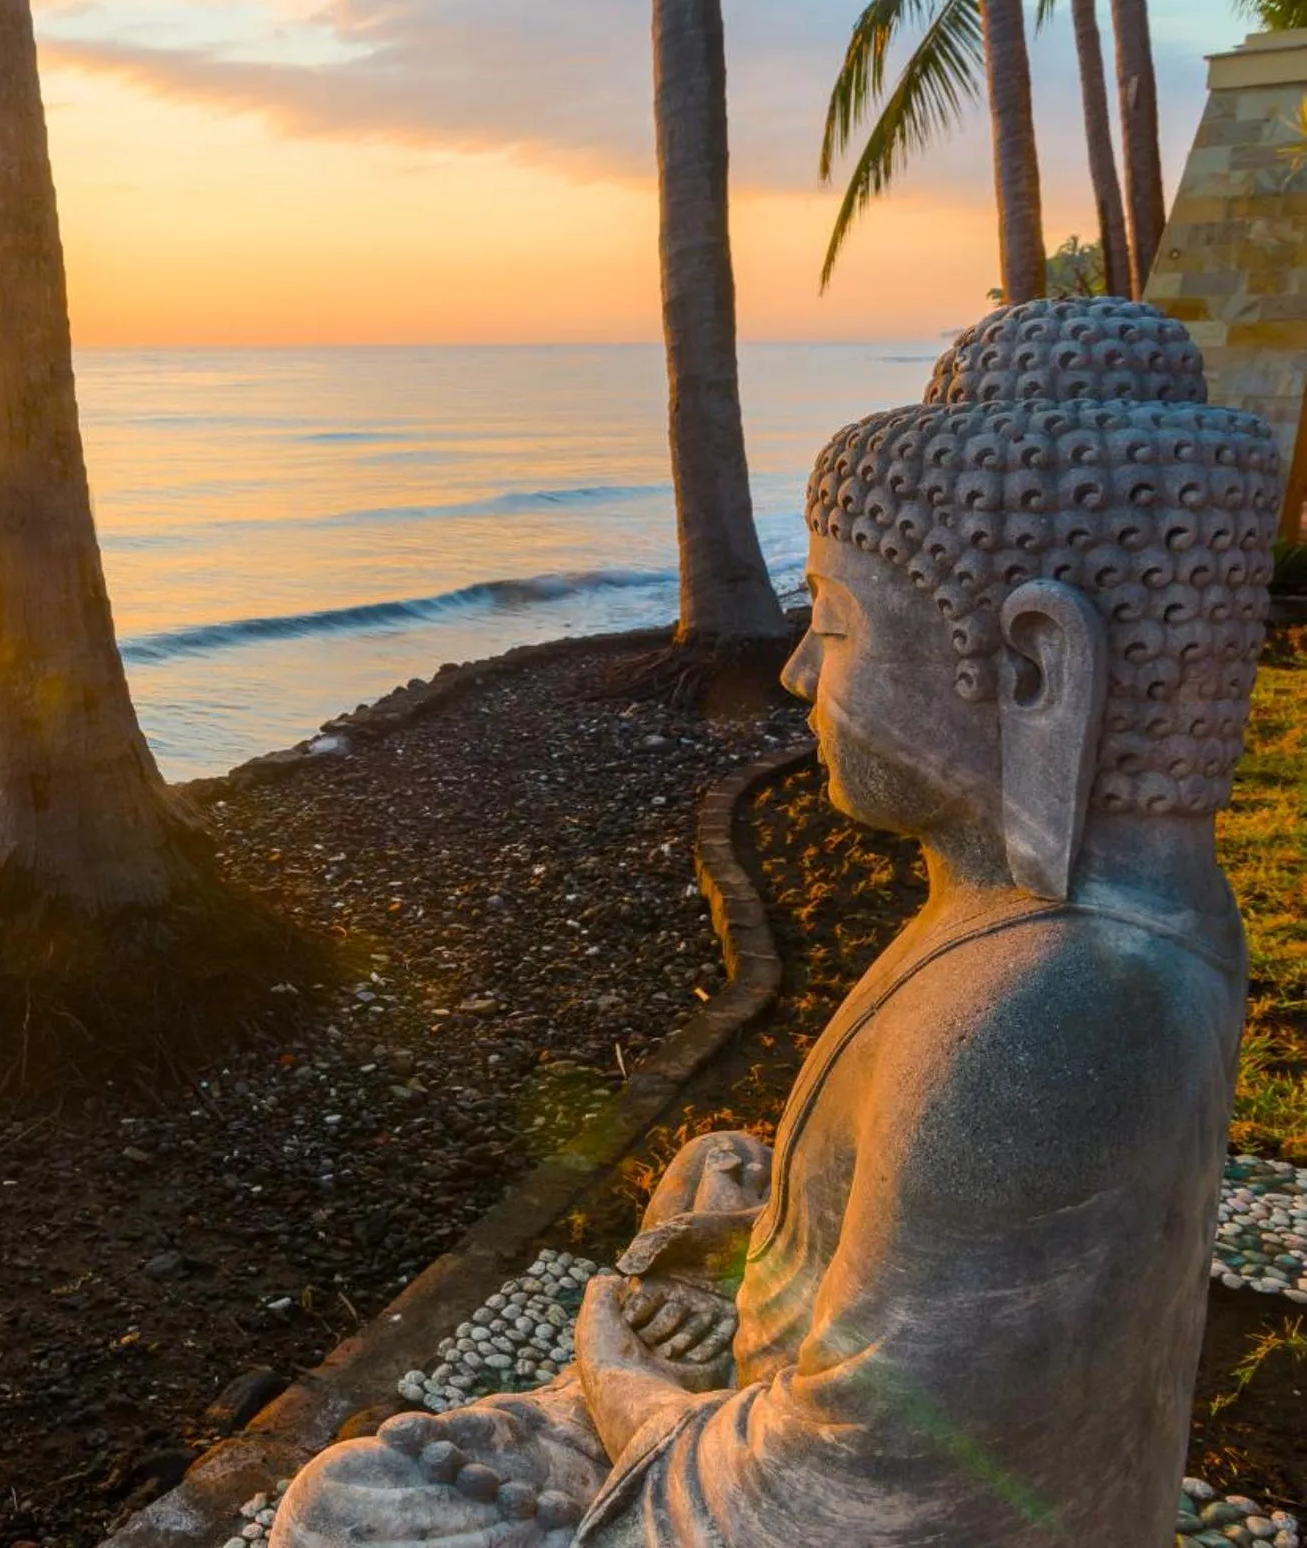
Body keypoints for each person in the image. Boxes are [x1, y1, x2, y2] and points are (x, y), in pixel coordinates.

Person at [273, 299, 1280, 1547]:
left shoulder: (1057, 1005)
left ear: (1031, 667)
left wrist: (624, 1385)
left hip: (805, 1488)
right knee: (716, 1162)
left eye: (837, 621)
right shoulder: (1051, 929)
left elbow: (860, 1504)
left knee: (343, 1510)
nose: (797, 669)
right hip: (782, 1418)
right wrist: (777, 1224)